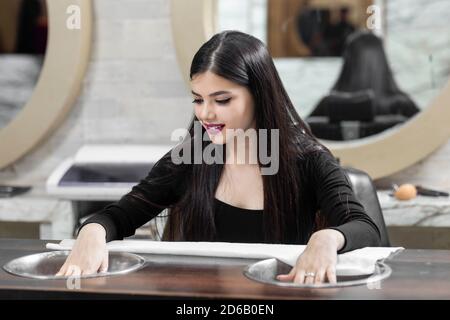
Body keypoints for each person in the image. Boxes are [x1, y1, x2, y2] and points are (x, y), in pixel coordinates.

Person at [57, 30, 381, 285]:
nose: (206, 113)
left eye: (222, 100)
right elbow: (118, 216)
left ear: (260, 95)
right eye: (198, 99)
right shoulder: (189, 159)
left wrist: (327, 238)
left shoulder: (308, 160)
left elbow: (364, 227)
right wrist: (91, 232)